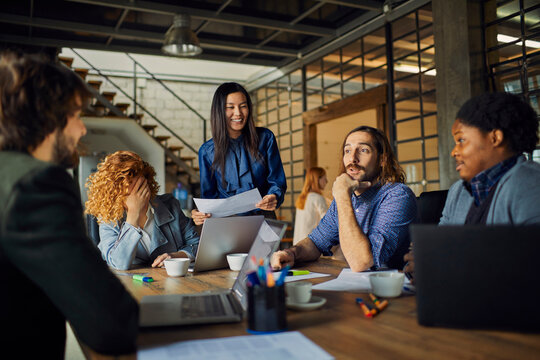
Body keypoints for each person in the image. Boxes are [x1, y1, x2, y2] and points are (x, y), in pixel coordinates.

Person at [0, 54, 138, 357]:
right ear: (48, 117)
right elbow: (112, 323)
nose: (82, 129)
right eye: (76, 115)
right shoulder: (36, 185)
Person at [403, 92, 540, 277]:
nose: (454, 152)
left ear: (495, 138)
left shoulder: (530, 184)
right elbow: (438, 247)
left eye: (461, 140)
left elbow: (528, 268)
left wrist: (439, 264)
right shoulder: (458, 191)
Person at [272, 126, 417, 272]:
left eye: (363, 150)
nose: (352, 158)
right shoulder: (348, 196)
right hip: (354, 285)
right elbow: (316, 242)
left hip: (390, 289)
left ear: (382, 160)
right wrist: (291, 253)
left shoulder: (397, 195)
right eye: (347, 151)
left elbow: (361, 262)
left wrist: (342, 196)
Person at [85, 150, 200, 270]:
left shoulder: (170, 205)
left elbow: (197, 245)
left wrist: (176, 256)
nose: (136, 193)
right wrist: (133, 215)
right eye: (127, 189)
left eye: (140, 186)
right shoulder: (108, 218)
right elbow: (119, 263)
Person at [192, 82, 287, 225]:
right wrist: (199, 214)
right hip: (226, 226)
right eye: (230, 107)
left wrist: (274, 196)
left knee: (274, 249)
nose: (238, 113)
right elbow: (209, 199)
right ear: (219, 111)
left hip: (264, 221)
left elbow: (276, 181)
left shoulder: (266, 138)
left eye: (243, 106)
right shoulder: (206, 151)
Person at [293, 167, 329, 245]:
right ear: (317, 179)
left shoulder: (302, 198)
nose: (327, 181)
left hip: (297, 244)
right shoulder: (318, 198)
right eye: (324, 178)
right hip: (310, 246)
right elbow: (328, 223)